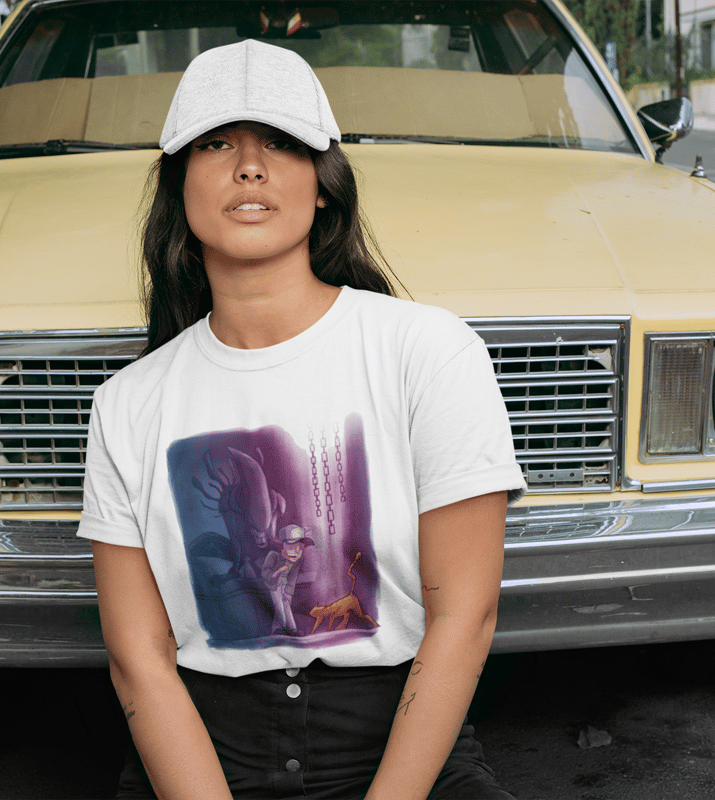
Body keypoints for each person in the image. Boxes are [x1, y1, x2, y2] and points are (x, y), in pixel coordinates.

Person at [78, 38, 526, 800]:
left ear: (323, 185)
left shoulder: (428, 350)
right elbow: (139, 662)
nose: (250, 166)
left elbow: (466, 618)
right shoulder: (128, 402)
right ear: (178, 184)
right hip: (204, 756)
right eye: (216, 144)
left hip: (399, 749)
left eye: (282, 143)